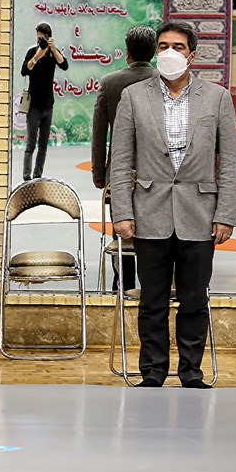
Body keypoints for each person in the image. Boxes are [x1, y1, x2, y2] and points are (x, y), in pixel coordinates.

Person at [110, 20, 236, 388]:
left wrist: (226, 214)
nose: (170, 52)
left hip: (200, 214)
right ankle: (152, 371)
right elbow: (120, 160)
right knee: (152, 301)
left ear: (191, 55)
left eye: (178, 47)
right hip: (149, 213)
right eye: (163, 46)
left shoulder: (217, 98)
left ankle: (191, 372)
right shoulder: (133, 96)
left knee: (194, 300)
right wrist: (122, 212)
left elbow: (229, 163)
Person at [92, 24, 157, 291]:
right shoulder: (165, 81)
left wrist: (99, 173)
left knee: (121, 228)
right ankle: (151, 287)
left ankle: (123, 285)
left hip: (119, 175)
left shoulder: (110, 83)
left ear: (127, 53)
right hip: (158, 174)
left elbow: (99, 133)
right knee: (154, 232)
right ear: (154, 52)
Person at [19, 22, 68, 181]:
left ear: (49, 38)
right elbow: (24, 71)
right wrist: (37, 56)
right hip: (33, 106)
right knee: (30, 144)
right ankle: (26, 177)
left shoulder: (53, 54)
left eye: (44, 38)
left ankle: (37, 175)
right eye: (39, 38)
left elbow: (64, 65)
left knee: (43, 145)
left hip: (48, 105)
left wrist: (53, 48)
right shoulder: (32, 52)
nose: (41, 41)